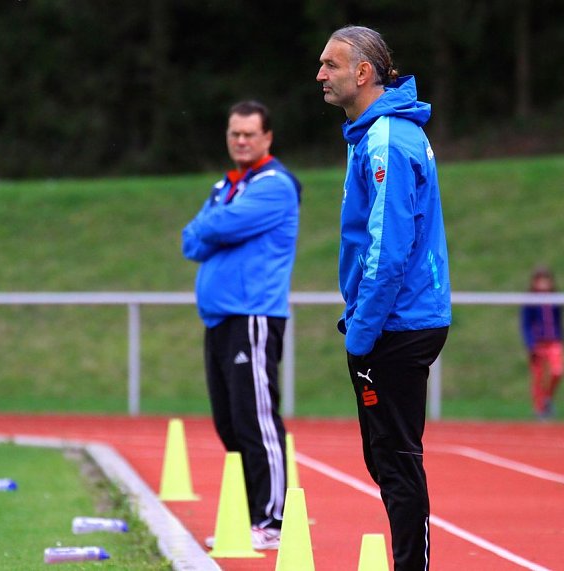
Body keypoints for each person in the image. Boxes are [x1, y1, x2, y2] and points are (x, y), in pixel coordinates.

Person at [316, 25, 452, 570]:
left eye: (330, 64)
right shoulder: (377, 134)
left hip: (397, 323)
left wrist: (363, 332)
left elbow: (388, 250)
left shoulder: (386, 140)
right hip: (395, 319)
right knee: (387, 459)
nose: (320, 75)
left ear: (363, 73)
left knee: (395, 461)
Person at [181, 100, 301, 550]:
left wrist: (213, 225)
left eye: (250, 133)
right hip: (219, 319)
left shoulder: (275, 185)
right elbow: (191, 241)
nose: (241, 141)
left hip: (253, 315)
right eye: (235, 133)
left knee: (256, 419)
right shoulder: (225, 187)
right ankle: (248, 514)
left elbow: (222, 225)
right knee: (228, 422)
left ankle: (271, 520)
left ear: (267, 137)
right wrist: (213, 226)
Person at [520, 266, 564, 419]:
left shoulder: (555, 300)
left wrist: (561, 337)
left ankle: (548, 398)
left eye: (546, 280)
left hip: (554, 341)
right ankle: (539, 409)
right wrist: (531, 344)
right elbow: (526, 324)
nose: (543, 284)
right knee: (538, 377)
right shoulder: (531, 302)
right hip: (538, 343)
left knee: (557, 370)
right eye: (540, 281)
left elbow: (559, 321)